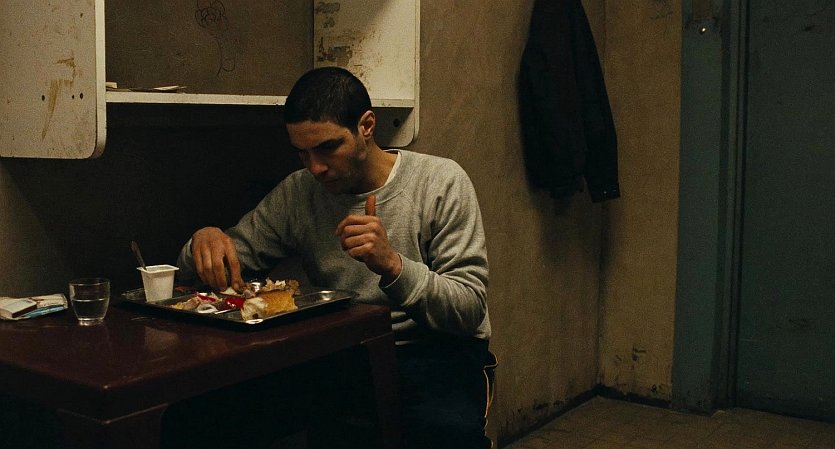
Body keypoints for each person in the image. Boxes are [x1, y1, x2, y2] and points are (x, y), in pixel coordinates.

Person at [176, 66, 492, 449]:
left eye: (328, 147)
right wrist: (204, 242)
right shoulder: (299, 192)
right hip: (343, 352)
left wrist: (393, 265)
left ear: (366, 126)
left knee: (445, 432)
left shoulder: (439, 181)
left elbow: (468, 309)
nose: (316, 167)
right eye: (302, 153)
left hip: (432, 350)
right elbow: (225, 262)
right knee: (202, 417)